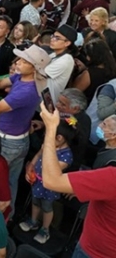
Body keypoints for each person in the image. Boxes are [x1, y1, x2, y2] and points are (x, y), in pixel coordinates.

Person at [0, 45, 49, 216]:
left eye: (24, 61)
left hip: (9, 143)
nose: (18, 63)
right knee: (10, 182)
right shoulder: (22, 78)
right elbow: (0, 82)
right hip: (18, 139)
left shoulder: (27, 90)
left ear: (35, 68)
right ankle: (8, 215)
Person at [39, 102, 116, 258]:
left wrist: (51, 129)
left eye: (105, 124)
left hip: (95, 252)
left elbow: (52, 180)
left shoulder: (112, 174)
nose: (100, 125)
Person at [21, 119, 76, 244]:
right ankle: (33, 221)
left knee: (47, 207)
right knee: (35, 201)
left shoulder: (66, 155)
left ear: (60, 138)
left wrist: (48, 151)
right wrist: (31, 168)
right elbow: (38, 155)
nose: (45, 137)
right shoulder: (48, 144)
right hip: (37, 181)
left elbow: (53, 169)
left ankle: (45, 229)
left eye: (48, 135)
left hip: (50, 186)